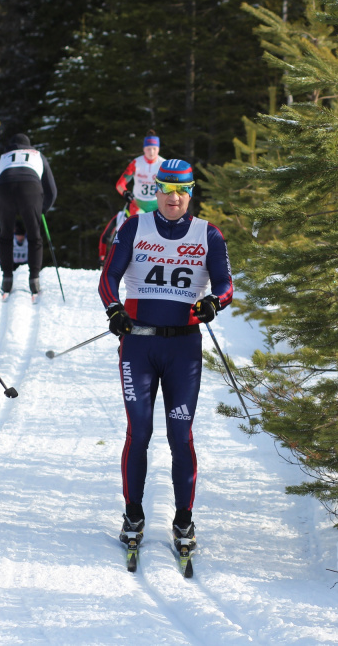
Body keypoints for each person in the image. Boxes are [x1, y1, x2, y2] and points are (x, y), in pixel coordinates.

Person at [99, 158, 234, 554]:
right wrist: (115, 310)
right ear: (154, 191)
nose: (174, 198)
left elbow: (225, 285)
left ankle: (183, 520)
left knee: (180, 435)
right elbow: (109, 277)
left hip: (183, 348)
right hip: (138, 346)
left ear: (191, 193)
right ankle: (133, 514)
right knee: (139, 432)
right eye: (167, 189)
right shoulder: (134, 226)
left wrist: (213, 303)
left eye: (182, 190)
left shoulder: (208, 234)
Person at [0, 133, 58, 296]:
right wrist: (42, 210)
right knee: (35, 236)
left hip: (5, 189)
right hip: (31, 188)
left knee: (6, 236)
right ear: (29, 145)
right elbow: (51, 190)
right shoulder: (37, 155)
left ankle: (7, 278)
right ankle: (34, 279)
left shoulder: (3, 157)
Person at [115, 130, 164, 217]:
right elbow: (120, 184)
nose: (151, 152)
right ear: (144, 149)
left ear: (158, 149)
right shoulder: (136, 163)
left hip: (158, 205)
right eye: (148, 149)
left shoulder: (164, 164)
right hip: (138, 204)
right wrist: (125, 193)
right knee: (139, 224)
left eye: (154, 149)